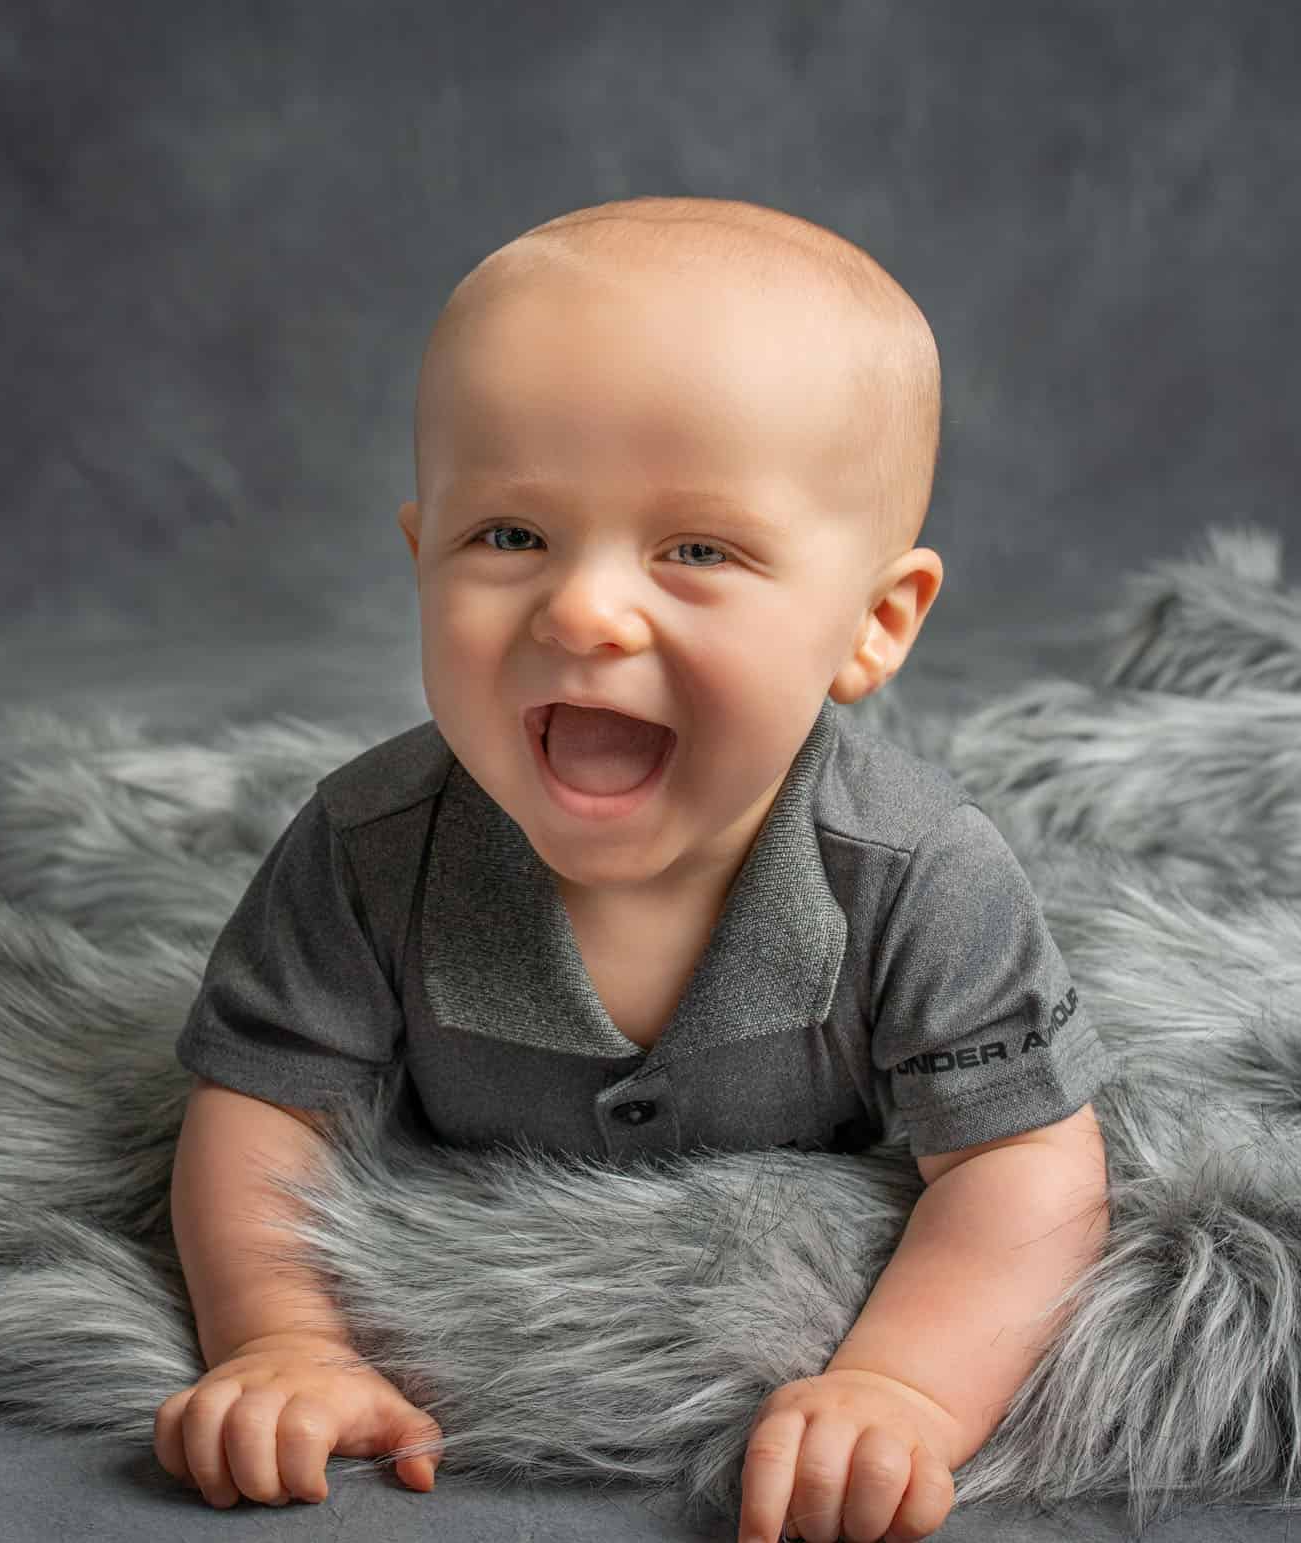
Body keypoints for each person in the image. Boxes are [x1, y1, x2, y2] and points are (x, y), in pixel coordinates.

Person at [155, 194, 1111, 1543]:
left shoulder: (916, 875)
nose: (586, 608)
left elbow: (1025, 1169)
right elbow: (263, 1114)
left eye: (698, 550)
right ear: (420, 554)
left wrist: (902, 1385)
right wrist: (282, 1340)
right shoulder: (372, 847)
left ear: (873, 623)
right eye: (511, 537)